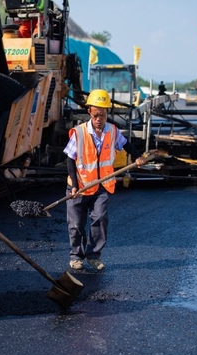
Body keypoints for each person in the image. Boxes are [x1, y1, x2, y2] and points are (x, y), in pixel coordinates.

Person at [63, 89, 147, 271]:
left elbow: (126, 144)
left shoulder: (112, 131)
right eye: (95, 115)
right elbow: (70, 159)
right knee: (76, 224)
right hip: (80, 186)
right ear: (89, 113)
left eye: (102, 115)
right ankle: (76, 256)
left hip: (101, 186)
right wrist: (76, 186)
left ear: (107, 113)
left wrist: (137, 156)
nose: (99, 119)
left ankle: (94, 255)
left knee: (100, 218)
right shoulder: (80, 133)